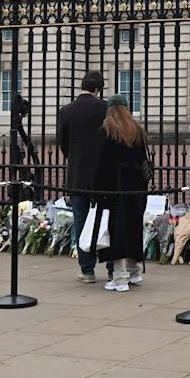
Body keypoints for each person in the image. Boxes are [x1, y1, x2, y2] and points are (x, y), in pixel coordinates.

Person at [57, 71, 109, 283]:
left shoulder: (66, 110)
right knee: (107, 220)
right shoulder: (105, 109)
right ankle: (113, 267)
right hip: (103, 174)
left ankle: (87, 269)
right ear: (98, 88)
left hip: (78, 174)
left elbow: (63, 144)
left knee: (81, 220)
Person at [97, 94, 150, 292]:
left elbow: (102, 165)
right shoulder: (137, 131)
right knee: (133, 227)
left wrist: (97, 189)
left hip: (114, 187)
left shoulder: (107, 131)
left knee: (117, 231)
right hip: (135, 187)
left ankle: (120, 277)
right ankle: (134, 271)